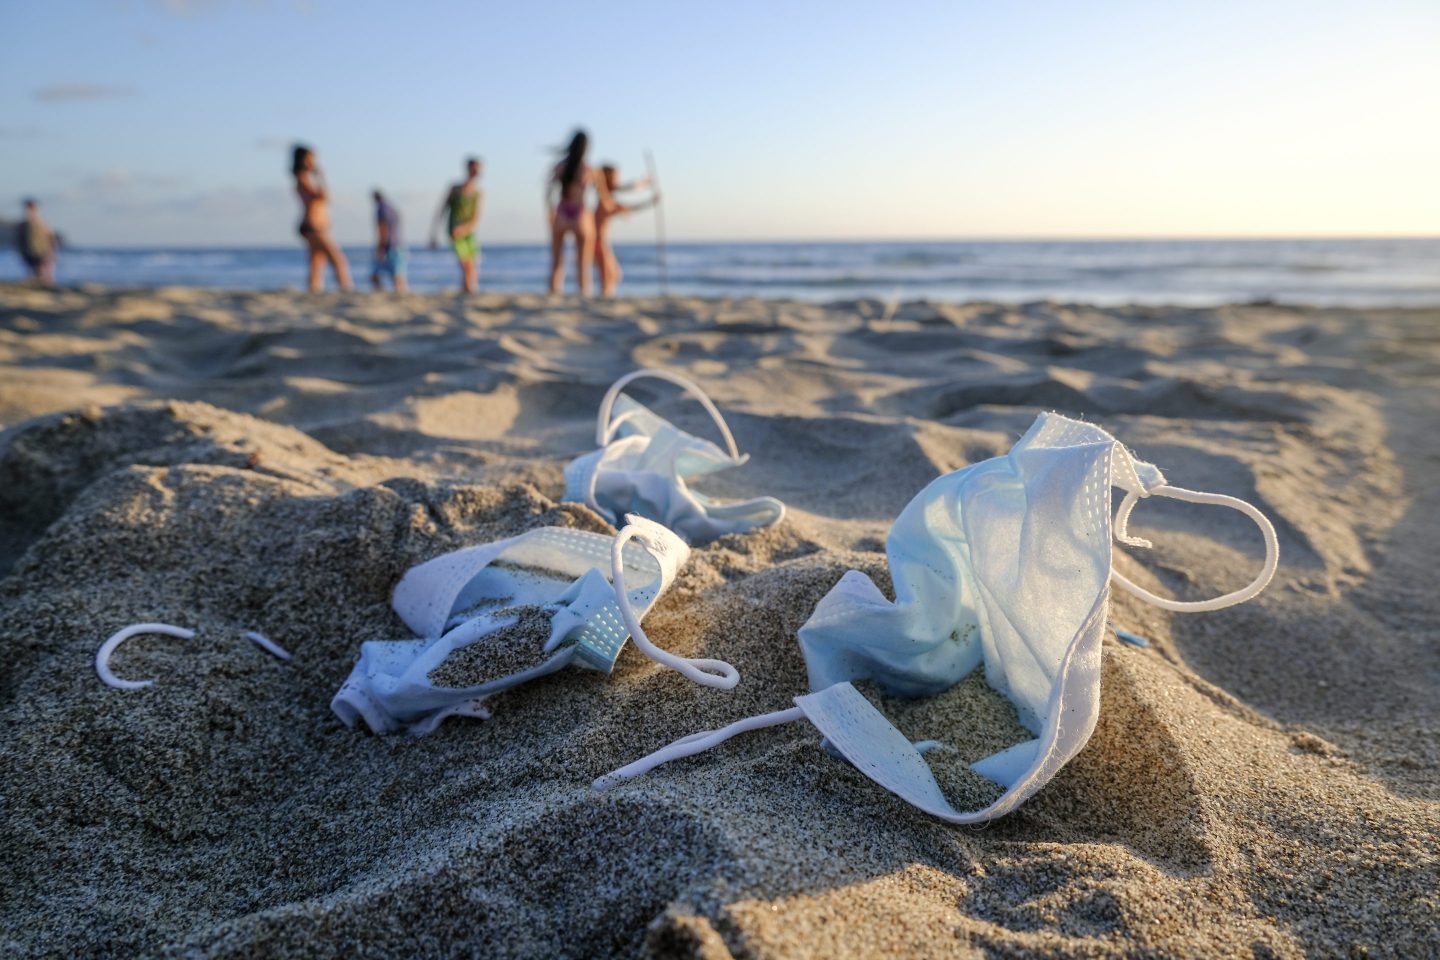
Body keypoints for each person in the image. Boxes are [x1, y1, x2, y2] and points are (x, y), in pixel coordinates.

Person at [545, 129, 614, 296]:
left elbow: (548, 194)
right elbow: (605, 200)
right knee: (583, 264)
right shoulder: (590, 169)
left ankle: (554, 292)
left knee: (557, 262)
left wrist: (550, 212)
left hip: (562, 212)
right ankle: (583, 293)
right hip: (581, 214)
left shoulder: (560, 167)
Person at [291, 144, 353, 292]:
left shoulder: (305, 178)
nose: (313, 161)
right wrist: (320, 176)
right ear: (303, 159)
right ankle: (346, 289)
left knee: (317, 263)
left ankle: (314, 291)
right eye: (310, 158)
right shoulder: (302, 178)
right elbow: (323, 196)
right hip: (313, 227)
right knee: (338, 259)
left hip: (315, 226)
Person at [593, 164, 659, 297]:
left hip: (603, 243)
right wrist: (643, 186)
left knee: (615, 274)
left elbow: (628, 204)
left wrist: (646, 194)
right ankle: (605, 297)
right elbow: (622, 191)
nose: (618, 181)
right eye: (616, 177)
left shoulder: (610, 200)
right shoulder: (605, 199)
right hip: (597, 243)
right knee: (608, 275)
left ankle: (606, 296)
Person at [431, 157, 483, 293]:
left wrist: (465, 228)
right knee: (466, 265)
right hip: (455, 231)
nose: (476, 173)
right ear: (468, 169)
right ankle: (468, 291)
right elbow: (441, 210)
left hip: (469, 232)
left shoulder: (477, 192)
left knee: (472, 266)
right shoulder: (455, 189)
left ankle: (467, 291)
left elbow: (476, 218)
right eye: (475, 169)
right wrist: (433, 233)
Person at [370, 190, 408, 293]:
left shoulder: (381, 209)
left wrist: (380, 247)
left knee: (375, 275)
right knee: (398, 274)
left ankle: (381, 292)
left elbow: (383, 229)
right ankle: (401, 293)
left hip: (389, 246)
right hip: (398, 244)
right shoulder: (392, 209)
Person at [15, 199, 56, 283]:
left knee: (43, 274)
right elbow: (19, 240)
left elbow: (51, 239)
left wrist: (52, 253)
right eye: (28, 209)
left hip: (42, 253)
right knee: (33, 273)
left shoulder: (42, 224)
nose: (29, 211)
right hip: (29, 253)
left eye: (32, 208)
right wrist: (21, 252)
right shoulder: (23, 225)